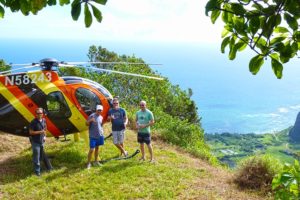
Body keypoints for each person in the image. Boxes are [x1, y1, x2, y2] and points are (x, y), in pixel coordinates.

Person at [29, 107, 52, 176]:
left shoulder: (44, 120)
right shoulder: (33, 122)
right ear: (35, 114)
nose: (39, 114)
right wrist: (40, 132)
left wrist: (45, 136)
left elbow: (45, 129)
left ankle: (47, 168)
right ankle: (37, 172)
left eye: (41, 113)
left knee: (41, 156)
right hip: (35, 142)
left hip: (42, 141)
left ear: (42, 114)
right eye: (38, 113)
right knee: (36, 158)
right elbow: (30, 132)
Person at [86, 104, 105, 169]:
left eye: (100, 110)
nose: (99, 111)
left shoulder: (101, 117)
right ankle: (88, 163)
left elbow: (100, 125)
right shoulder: (92, 116)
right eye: (98, 110)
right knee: (91, 149)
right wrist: (90, 120)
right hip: (92, 135)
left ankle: (96, 161)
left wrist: (102, 132)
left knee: (97, 148)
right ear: (96, 110)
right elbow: (86, 124)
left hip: (99, 135)